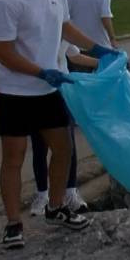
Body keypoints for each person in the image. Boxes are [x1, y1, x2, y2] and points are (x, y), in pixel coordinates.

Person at [0, 0, 119, 249]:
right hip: (16, 93)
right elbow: (3, 53)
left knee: (63, 149)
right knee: (13, 158)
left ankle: (56, 206)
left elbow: (65, 27)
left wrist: (98, 49)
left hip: (49, 91)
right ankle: (13, 224)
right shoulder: (7, 1)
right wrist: (40, 71)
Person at [29, 40, 98, 216]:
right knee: (40, 145)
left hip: (63, 93)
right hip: (37, 93)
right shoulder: (34, 30)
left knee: (68, 145)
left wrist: (102, 61)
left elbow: (74, 55)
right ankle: (42, 194)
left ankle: (70, 191)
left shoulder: (62, 26)